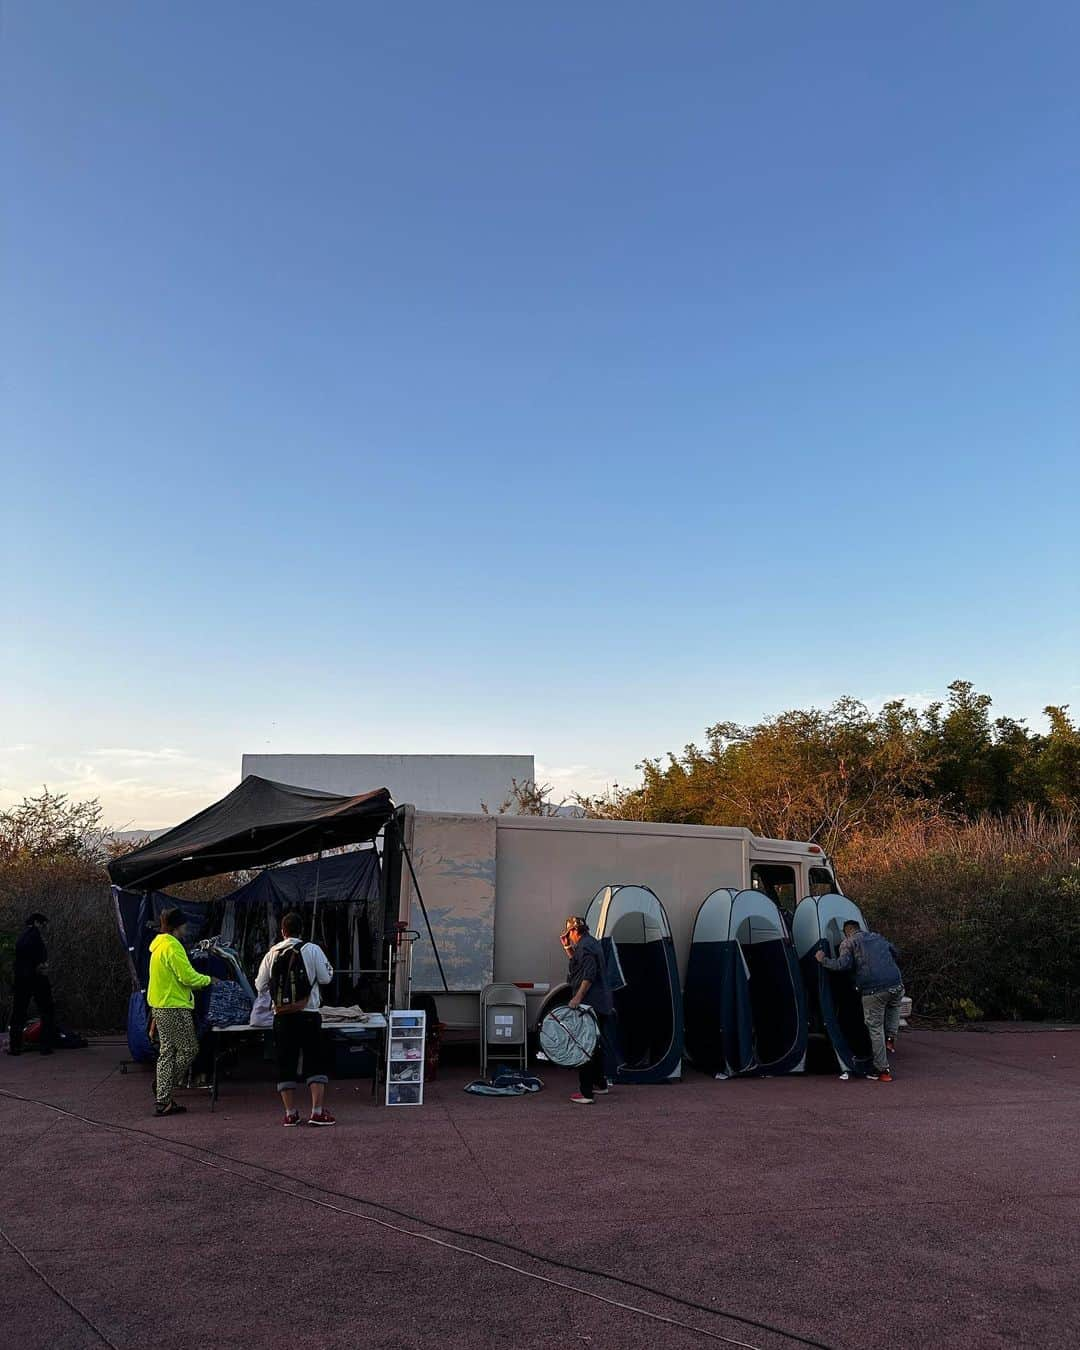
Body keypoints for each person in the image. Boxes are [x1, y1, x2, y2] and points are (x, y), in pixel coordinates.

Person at [255, 911, 335, 1127]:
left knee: (285, 1062)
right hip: (308, 1014)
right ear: (302, 930)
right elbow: (327, 978)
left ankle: (290, 1113)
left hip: (281, 1017)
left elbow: (260, 985)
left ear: (282, 931)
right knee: (314, 1060)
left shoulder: (271, 953)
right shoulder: (312, 949)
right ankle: (317, 1111)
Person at [816, 920, 904, 1082]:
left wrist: (823, 960)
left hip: (873, 990)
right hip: (896, 983)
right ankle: (891, 1037)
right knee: (893, 1007)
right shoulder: (877, 937)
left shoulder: (848, 943)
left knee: (875, 1028)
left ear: (846, 932)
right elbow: (896, 953)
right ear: (859, 928)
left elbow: (842, 965)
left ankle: (882, 1070)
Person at [148, 908, 213, 1116]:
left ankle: (163, 1099)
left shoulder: (158, 946)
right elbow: (187, 977)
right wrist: (209, 980)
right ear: (177, 926)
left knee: (167, 1051)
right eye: (184, 924)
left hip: (160, 1005)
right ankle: (163, 1089)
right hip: (175, 1005)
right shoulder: (173, 947)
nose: (186, 928)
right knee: (189, 1049)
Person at [561, 915, 614, 1105]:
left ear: (574, 931)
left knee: (586, 1046)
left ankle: (586, 1093)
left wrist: (577, 997)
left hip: (592, 1003)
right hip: (603, 1002)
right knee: (596, 1046)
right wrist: (568, 948)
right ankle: (600, 1084)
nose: (570, 938)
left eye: (569, 934)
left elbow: (588, 974)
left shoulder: (585, 947)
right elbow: (580, 965)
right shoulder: (592, 943)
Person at [8, 913, 56, 1056]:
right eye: (43, 924)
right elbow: (40, 958)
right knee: (47, 1010)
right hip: (36, 978)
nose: (44, 927)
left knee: (18, 1012)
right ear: (37, 922)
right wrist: (42, 966)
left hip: (21, 979)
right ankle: (45, 1045)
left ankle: (15, 1046)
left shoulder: (21, 938)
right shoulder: (35, 937)